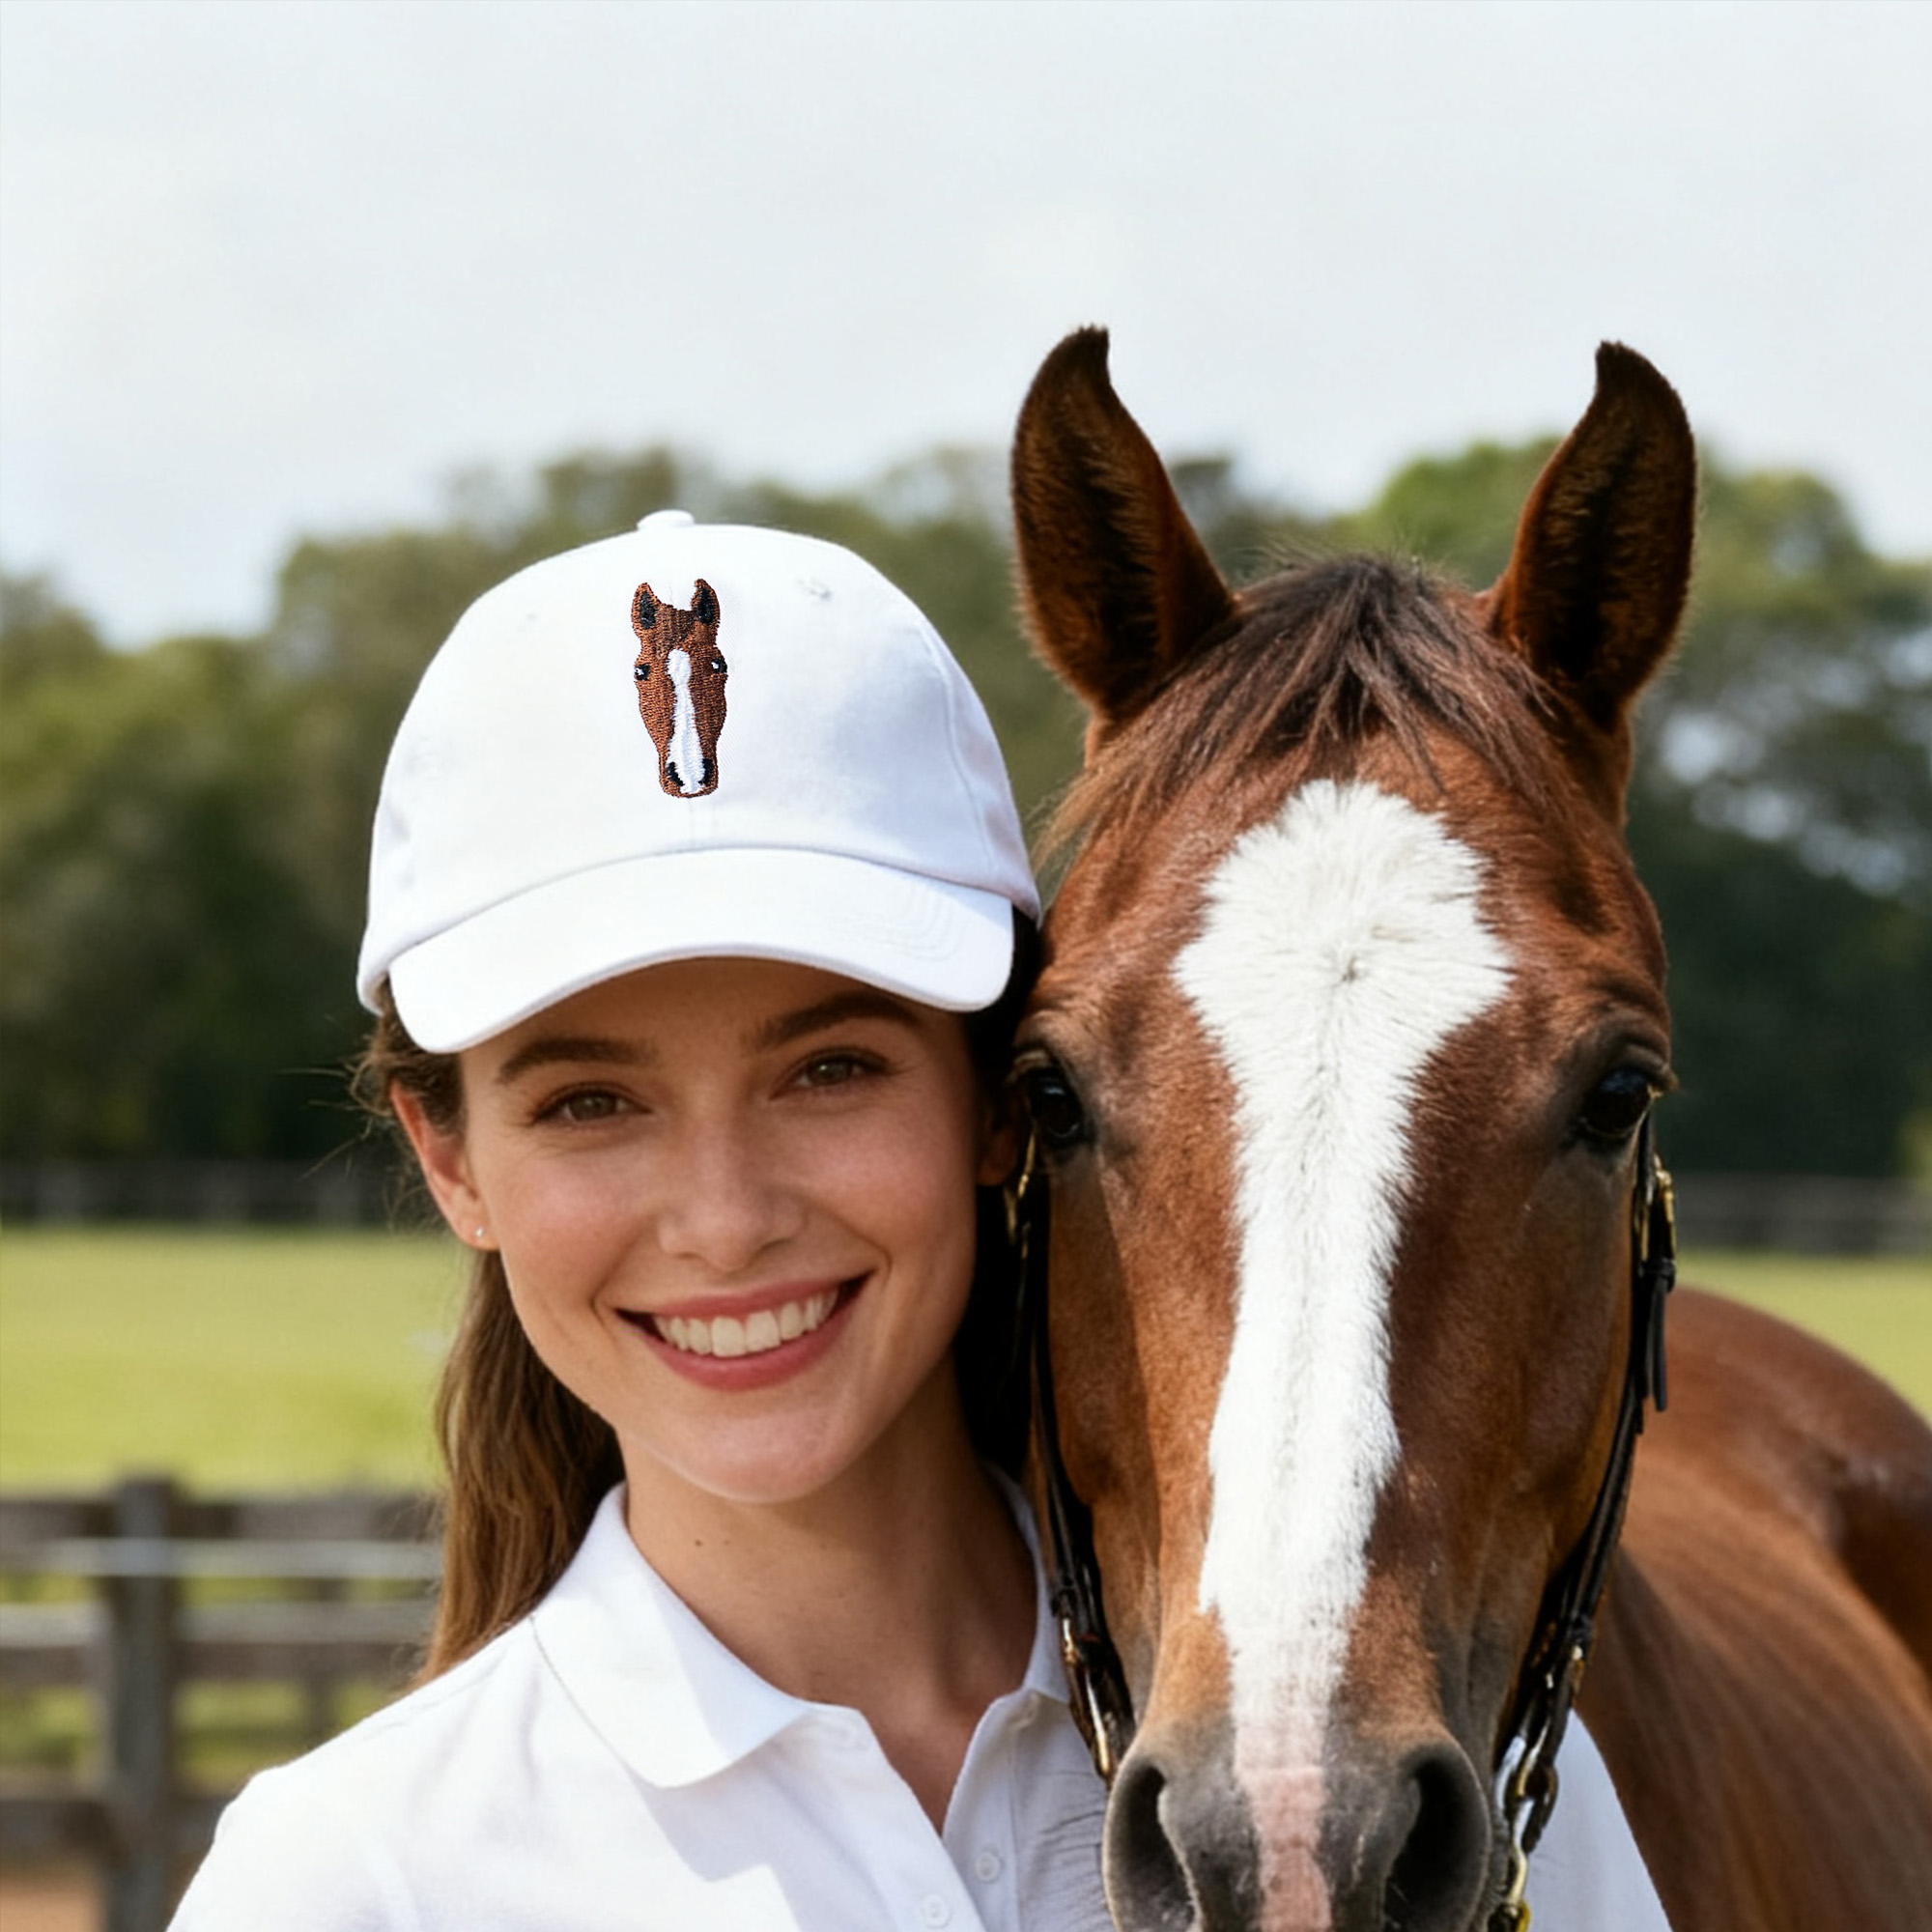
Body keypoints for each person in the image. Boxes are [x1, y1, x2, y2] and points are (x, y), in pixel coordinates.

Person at [169, 510, 1670, 1930]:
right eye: (587, 1104)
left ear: (997, 1098)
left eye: (831, 1071)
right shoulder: (348, 1880)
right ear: (450, 1160)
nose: (725, 1220)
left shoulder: (1470, 1793)